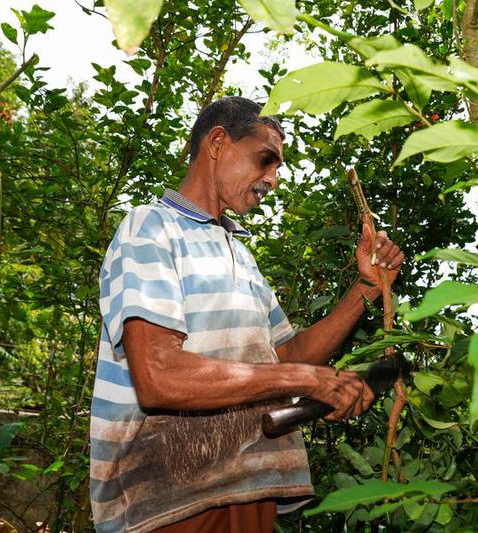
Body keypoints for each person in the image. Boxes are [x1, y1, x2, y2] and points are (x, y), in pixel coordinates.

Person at [89, 96, 405, 532]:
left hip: (247, 490)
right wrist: (306, 380)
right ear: (218, 142)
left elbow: (286, 357)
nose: (272, 179)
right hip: (170, 501)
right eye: (265, 159)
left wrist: (366, 288)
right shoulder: (151, 227)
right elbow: (159, 376)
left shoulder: (239, 255)